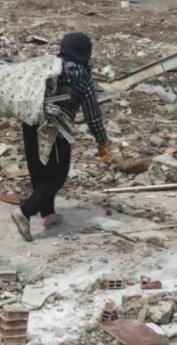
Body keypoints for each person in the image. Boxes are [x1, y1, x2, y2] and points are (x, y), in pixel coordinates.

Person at [11, 33, 111, 242]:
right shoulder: (81, 73)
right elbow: (92, 113)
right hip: (55, 127)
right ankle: (25, 212)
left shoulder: (48, 64)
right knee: (57, 174)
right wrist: (101, 140)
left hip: (31, 121)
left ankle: (47, 214)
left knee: (39, 169)